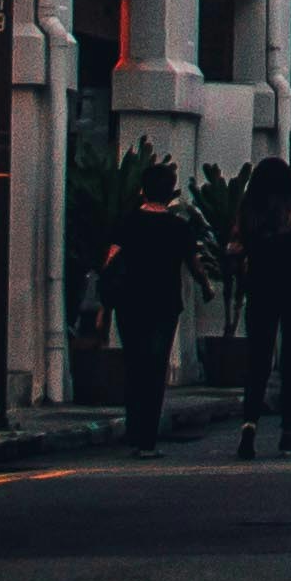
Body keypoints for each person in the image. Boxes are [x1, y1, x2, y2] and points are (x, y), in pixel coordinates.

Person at [102, 167, 197, 450]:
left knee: (134, 364)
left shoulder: (127, 221)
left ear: (142, 190)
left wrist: (104, 300)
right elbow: (193, 263)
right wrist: (206, 285)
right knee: (155, 368)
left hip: (130, 303)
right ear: (170, 194)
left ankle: (135, 429)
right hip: (164, 304)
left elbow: (111, 259)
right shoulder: (178, 227)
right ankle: (147, 439)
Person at [235, 155, 291, 458]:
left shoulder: (249, 205)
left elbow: (235, 245)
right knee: (290, 359)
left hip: (260, 284)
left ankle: (249, 426)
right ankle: (287, 431)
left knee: (258, 359)